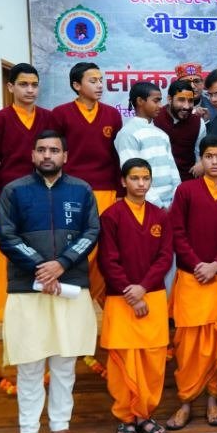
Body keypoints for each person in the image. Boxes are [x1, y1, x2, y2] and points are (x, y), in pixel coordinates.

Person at [0, 130, 98, 433]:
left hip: (69, 287)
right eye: (41, 150)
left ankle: (60, 426)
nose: (47, 155)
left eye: (54, 150)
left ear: (65, 156)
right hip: (28, 288)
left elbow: (91, 232)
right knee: (29, 363)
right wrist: (43, 268)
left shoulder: (81, 190)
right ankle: (28, 432)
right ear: (32, 155)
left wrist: (62, 264)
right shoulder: (14, 191)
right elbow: (7, 236)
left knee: (64, 362)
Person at [165, 135, 217, 430]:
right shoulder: (186, 191)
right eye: (208, 156)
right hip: (191, 277)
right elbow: (176, 231)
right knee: (187, 345)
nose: (214, 162)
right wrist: (198, 263)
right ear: (201, 159)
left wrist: (216, 264)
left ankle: (213, 400)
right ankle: (185, 402)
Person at [98, 158, 173, 433]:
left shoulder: (159, 216)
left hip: (152, 296)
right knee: (123, 362)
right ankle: (125, 418)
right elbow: (108, 260)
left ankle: (145, 414)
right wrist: (131, 293)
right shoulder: (111, 216)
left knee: (153, 360)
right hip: (121, 299)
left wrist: (143, 288)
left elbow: (164, 257)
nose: (141, 184)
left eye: (145, 178)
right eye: (135, 178)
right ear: (123, 181)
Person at [52, 62, 123, 304]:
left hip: (107, 190)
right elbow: (54, 154)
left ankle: (103, 300)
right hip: (71, 191)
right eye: (93, 81)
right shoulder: (60, 114)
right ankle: (73, 298)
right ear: (76, 85)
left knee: (105, 247)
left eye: (101, 80)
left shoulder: (112, 114)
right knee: (77, 245)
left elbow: (117, 156)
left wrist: (120, 192)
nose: (100, 85)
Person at [0, 63, 55, 322]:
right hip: (9, 198)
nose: (30, 90)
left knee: (43, 249)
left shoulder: (48, 118)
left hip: (43, 195)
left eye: (34, 85)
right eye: (23, 84)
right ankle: (3, 310)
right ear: (10, 87)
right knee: (6, 252)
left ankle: (43, 306)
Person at [115, 82, 181, 209]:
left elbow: (174, 172)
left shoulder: (162, 134)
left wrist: (176, 202)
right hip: (146, 205)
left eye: (160, 101)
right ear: (140, 101)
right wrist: (159, 206)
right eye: (156, 101)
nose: (160, 106)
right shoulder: (127, 134)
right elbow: (134, 175)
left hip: (172, 205)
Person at [153, 78, 207, 181]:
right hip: (158, 182)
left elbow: (200, 153)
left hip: (187, 181)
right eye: (181, 100)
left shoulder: (198, 123)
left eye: (190, 101)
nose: (186, 106)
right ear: (170, 99)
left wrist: (201, 162)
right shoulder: (154, 119)